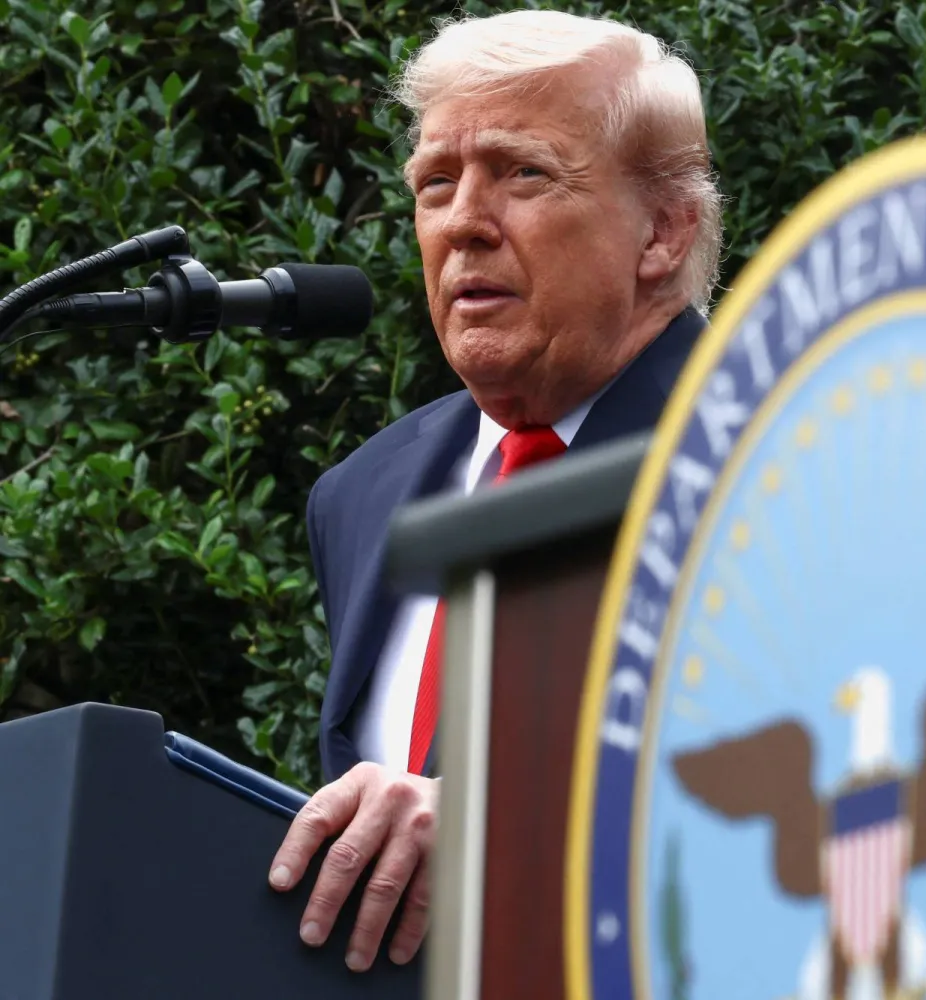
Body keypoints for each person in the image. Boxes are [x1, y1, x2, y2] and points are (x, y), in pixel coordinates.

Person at [264, 9, 723, 973]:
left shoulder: (779, 451)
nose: (463, 221)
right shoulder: (364, 496)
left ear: (664, 233)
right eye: (436, 182)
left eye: (524, 173)